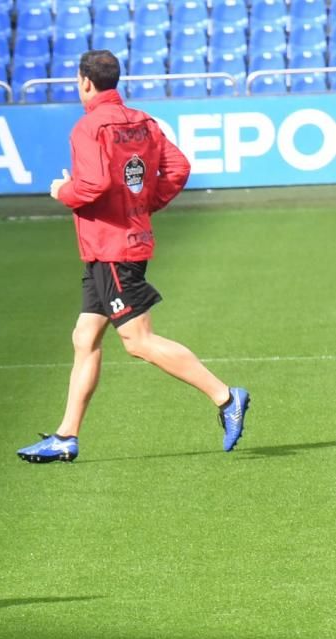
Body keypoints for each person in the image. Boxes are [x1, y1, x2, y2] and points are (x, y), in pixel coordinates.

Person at [16, 50, 250, 464]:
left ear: (85, 82)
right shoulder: (142, 121)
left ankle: (225, 396)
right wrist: (144, 205)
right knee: (84, 337)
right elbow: (177, 167)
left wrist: (62, 193)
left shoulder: (88, 127)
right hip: (117, 244)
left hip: (112, 249)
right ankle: (66, 437)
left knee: (138, 341)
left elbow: (93, 183)